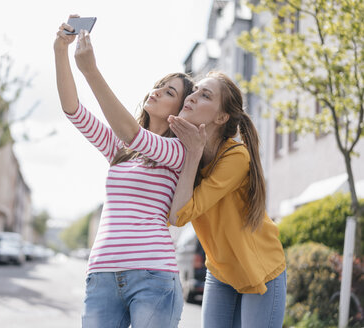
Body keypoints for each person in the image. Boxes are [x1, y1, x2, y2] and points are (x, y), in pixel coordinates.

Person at [54, 16, 194, 328]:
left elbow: (136, 135)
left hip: (153, 274)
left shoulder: (178, 151)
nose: (156, 91)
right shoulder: (119, 146)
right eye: (158, 85)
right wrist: (60, 51)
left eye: (169, 92)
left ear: (180, 109)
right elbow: (72, 109)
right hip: (102, 273)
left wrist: (90, 70)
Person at [167, 71, 287, 328]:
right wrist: (193, 153)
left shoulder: (236, 157)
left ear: (221, 117)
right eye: (195, 90)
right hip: (221, 272)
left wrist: (193, 153)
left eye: (205, 95)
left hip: (260, 270)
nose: (193, 96)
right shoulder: (186, 152)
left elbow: (180, 214)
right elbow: (176, 215)